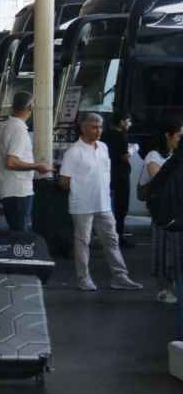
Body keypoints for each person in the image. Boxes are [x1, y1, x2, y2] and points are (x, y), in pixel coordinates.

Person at [59, 112, 143, 292]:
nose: (98, 130)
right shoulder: (74, 152)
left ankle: (120, 277)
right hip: (82, 205)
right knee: (83, 242)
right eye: (94, 127)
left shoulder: (103, 147)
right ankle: (84, 279)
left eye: (100, 127)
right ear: (83, 128)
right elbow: (64, 181)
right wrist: (81, 190)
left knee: (112, 240)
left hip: (104, 204)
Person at [0, 92, 53, 231]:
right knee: (21, 235)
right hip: (19, 191)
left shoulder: (5, 125)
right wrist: (37, 166)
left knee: (16, 231)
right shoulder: (19, 129)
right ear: (30, 106)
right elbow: (11, 162)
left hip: (7, 187)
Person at [142, 119, 183, 304]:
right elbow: (159, 181)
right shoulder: (155, 156)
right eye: (180, 136)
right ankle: (164, 288)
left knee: (174, 252)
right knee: (165, 251)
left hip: (175, 210)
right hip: (165, 212)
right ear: (168, 135)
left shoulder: (175, 156)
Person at [102, 112, 133, 247]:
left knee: (108, 207)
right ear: (121, 122)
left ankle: (108, 235)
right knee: (121, 207)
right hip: (121, 175)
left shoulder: (105, 135)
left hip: (108, 174)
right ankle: (118, 237)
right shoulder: (121, 136)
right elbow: (124, 156)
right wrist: (132, 150)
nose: (130, 124)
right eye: (128, 121)